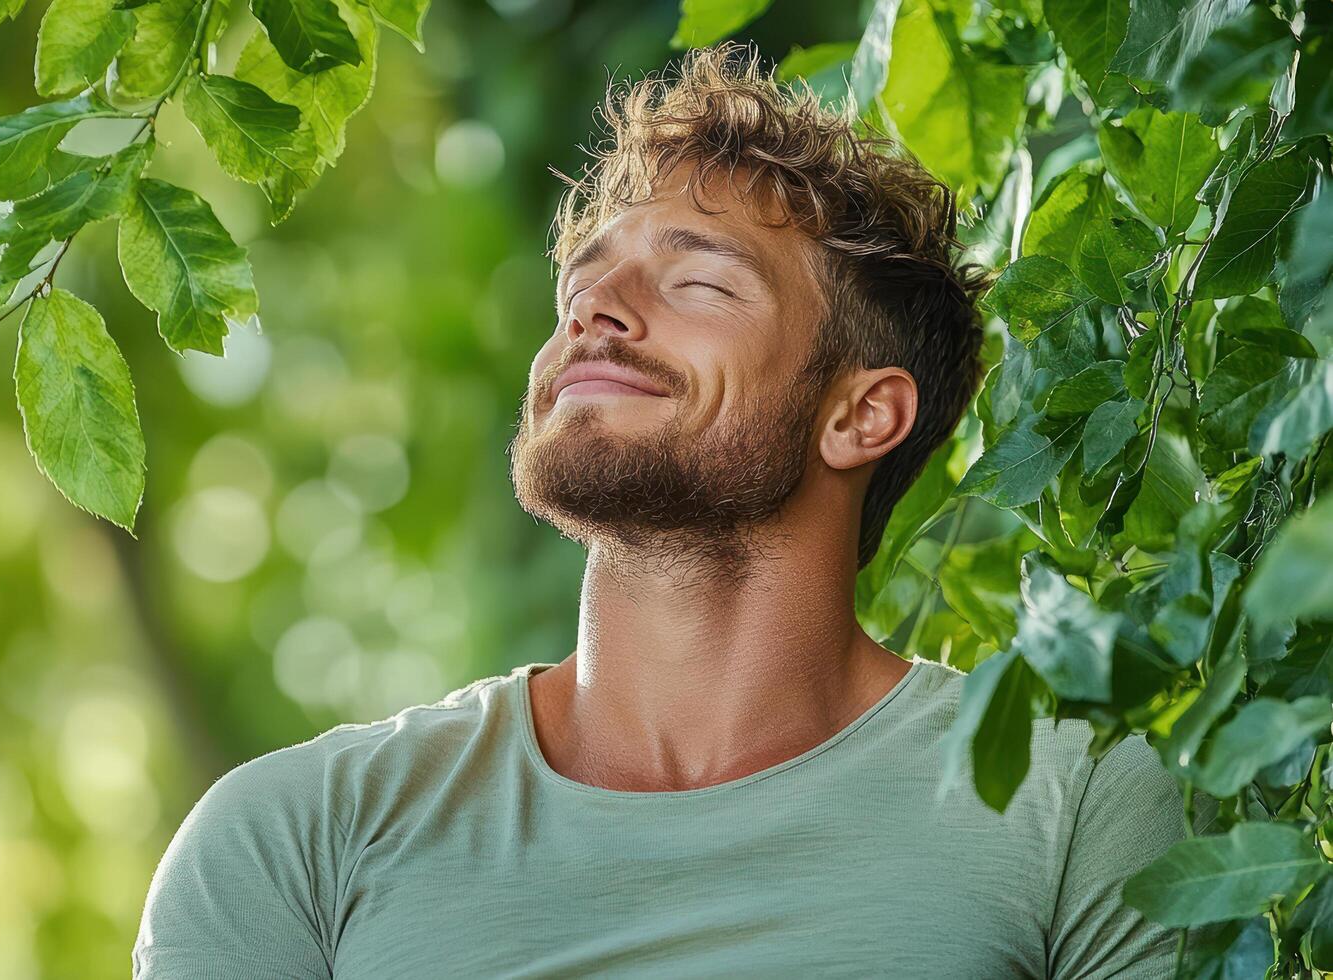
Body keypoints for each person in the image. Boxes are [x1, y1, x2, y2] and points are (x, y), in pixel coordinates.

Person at [133, 41, 1213, 978]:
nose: (595, 312)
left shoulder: (1068, 803)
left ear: (861, 414)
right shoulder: (294, 837)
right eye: (581, 289)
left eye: (697, 284)